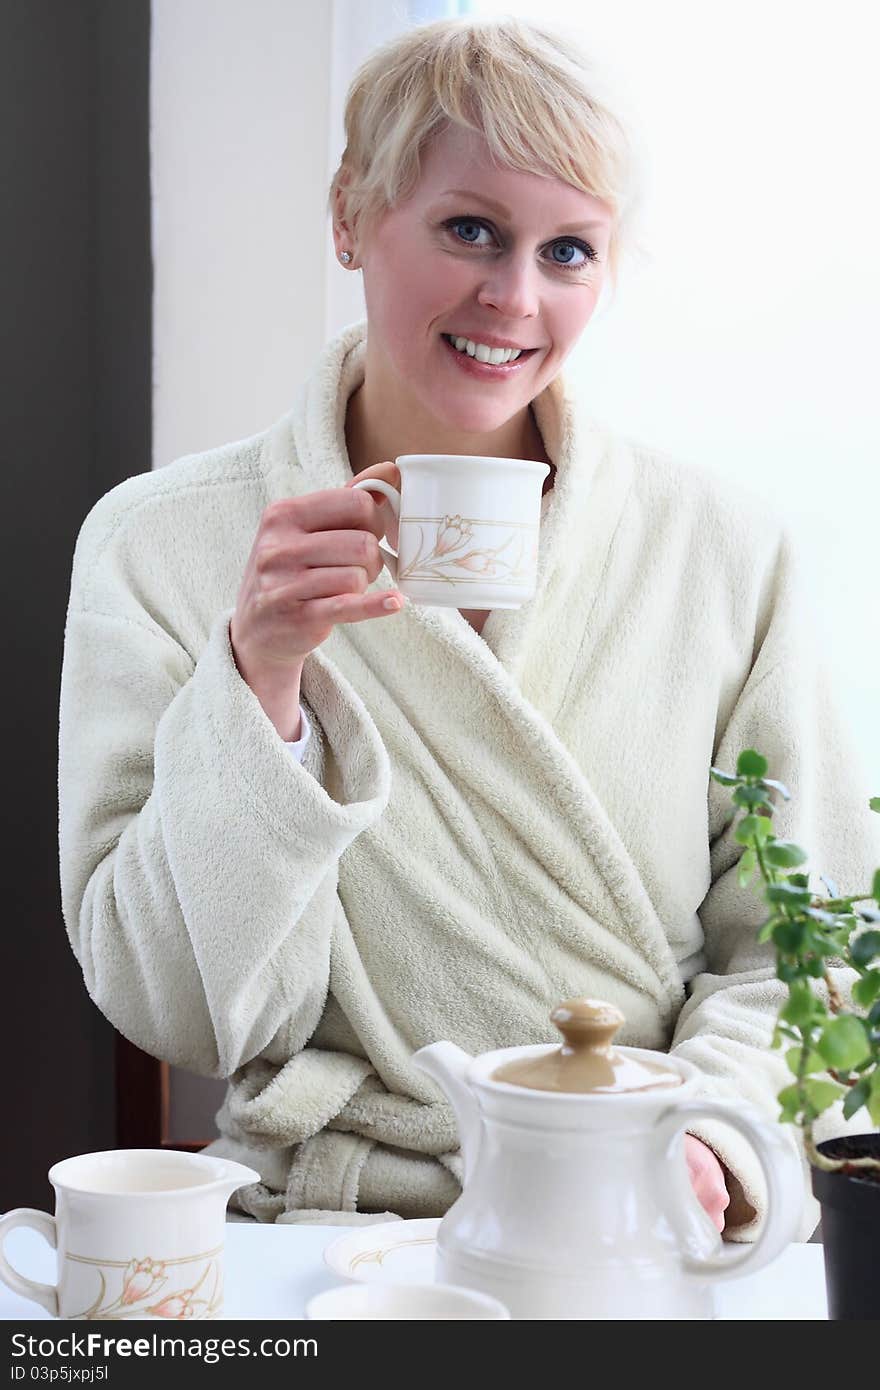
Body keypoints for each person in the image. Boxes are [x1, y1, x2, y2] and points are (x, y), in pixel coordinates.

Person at [58, 16, 877, 1238]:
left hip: (642, 1210)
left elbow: (808, 956)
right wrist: (258, 681)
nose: (512, 297)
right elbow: (172, 1008)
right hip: (338, 1222)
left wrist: (708, 1139)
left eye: (569, 251)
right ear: (350, 215)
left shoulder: (722, 550)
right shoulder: (158, 542)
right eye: (469, 230)